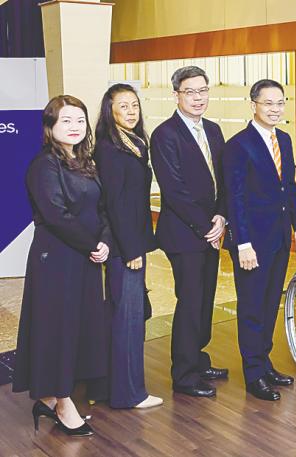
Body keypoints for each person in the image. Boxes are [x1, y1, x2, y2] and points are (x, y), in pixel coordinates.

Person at [13, 95, 110, 436]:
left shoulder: (83, 161)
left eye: (80, 121)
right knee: (58, 329)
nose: (74, 127)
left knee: (78, 328)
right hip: (55, 259)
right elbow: (56, 215)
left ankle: (52, 398)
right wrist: (92, 244)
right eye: (66, 121)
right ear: (50, 127)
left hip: (84, 258)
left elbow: (100, 210)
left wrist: (104, 242)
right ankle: (63, 402)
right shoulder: (44, 165)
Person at [223, 79, 296, 401]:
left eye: (280, 103)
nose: (275, 109)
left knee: (272, 302)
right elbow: (235, 199)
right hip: (251, 243)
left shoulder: (283, 140)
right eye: (268, 103)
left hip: (278, 237)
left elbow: (289, 186)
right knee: (252, 307)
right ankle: (254, 374)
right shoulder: (238, 145)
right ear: (253, 105)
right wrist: (242, 243)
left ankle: (265, 362)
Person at [150, 66, 228, 398]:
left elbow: (222, 179)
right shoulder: (164, 134)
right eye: (190, 92)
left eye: (203, 91)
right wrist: (205, 226)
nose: (198, 98)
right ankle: (183, 374)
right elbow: (174, 190)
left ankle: (198, 359)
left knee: (205, 298)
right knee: (190, 300)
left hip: (212, 229)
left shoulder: (213, 129)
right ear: (177, 95)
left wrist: (222, 216)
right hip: (184, 233)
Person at [93, 84, 162, 409]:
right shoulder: (109, 148)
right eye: (124, 106)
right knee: (128, 320)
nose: (132, 111)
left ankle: (116, 388)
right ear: (111, 111)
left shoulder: (134, 143)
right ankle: (129, 394)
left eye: (135, 105)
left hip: (131, 241)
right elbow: (115, 204)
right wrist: (132, 249)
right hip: (125, 248)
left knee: (129, 318)